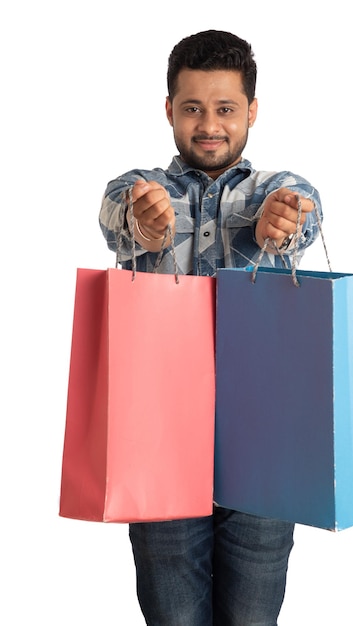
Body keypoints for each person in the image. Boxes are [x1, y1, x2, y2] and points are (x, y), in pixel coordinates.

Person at [99, 29, 322, 626]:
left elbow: (303, 209)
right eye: (193, 108)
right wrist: (143, 225)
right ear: (170, 110)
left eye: (225, 109)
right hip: (161, 446)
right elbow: (121, 215)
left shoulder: (279, 188)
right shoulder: (137, 187)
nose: (209, 125)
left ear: (251, 111)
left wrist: (287, 221)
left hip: (265, 452)